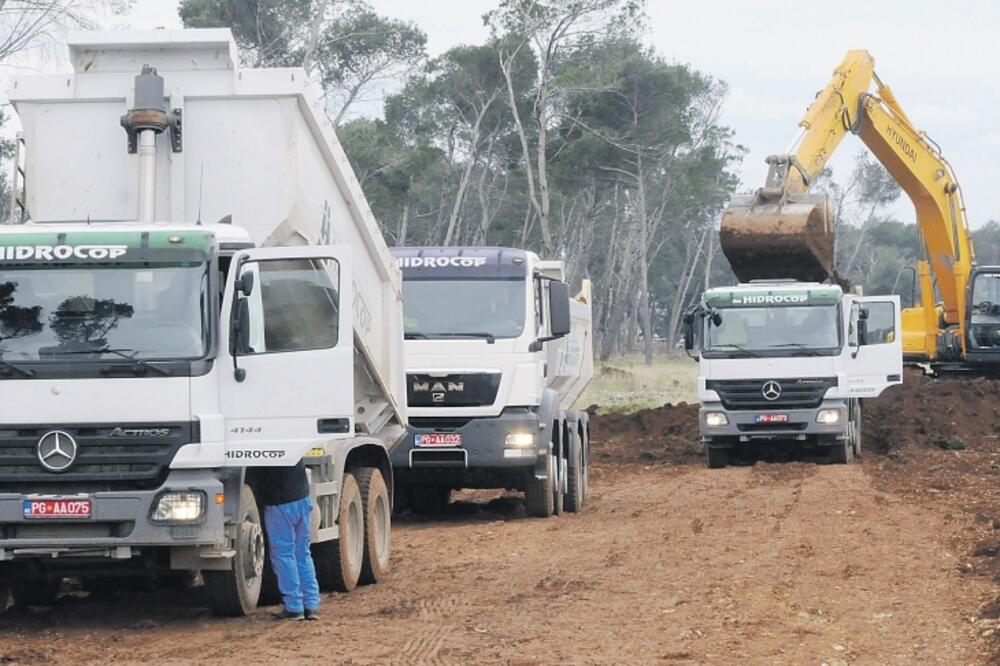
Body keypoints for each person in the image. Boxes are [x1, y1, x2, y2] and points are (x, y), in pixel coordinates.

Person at [249, 459, 321, 621]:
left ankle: (294, 606)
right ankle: (311, 604)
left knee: (283, 554)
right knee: (302, 552)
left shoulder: (267, 446)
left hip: (280, 503)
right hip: (302, 498)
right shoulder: (289, 440)